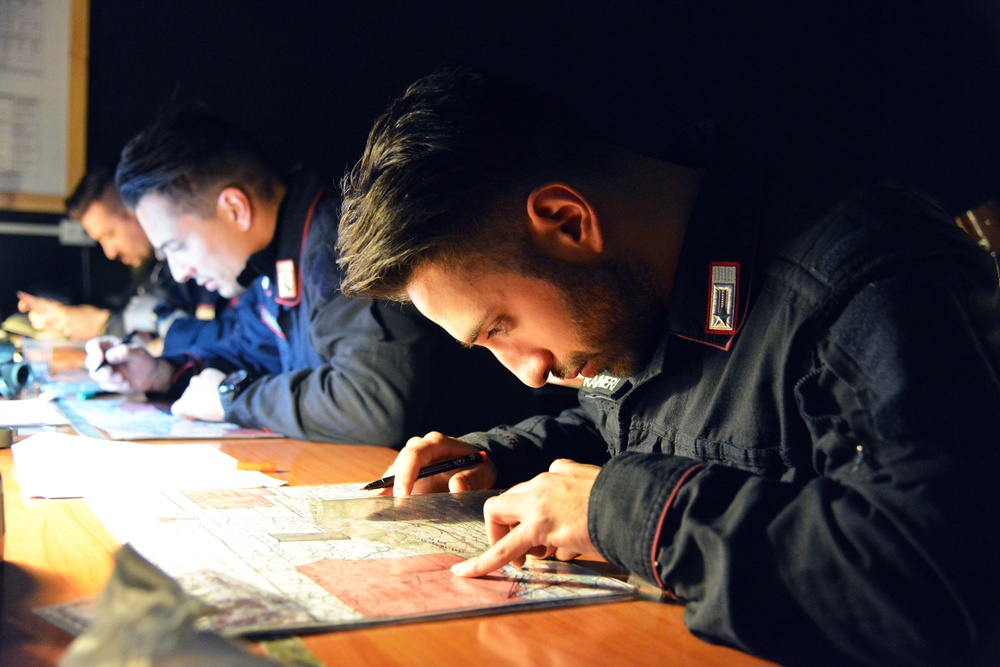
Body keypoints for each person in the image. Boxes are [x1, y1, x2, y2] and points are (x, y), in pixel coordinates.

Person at [334, 69, 1000, 665]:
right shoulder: (640, 292)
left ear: (568, 222)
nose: (527, 373)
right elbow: (635, 425)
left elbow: (941, 579)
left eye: (501, 327)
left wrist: (620, 511)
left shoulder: (863, 276)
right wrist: (497, 459)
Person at [94, 106, 542, 446]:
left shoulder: (337, 243)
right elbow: (246, 347)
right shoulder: (273, 259)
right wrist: (162, 371)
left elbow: (371, 403)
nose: (179, 271)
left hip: (488, 480)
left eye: (177, 247)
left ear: (234, 208)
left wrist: (235, 397)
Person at [17, 169, 230, 354]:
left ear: (136, 214)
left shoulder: (200, 266)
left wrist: (106, 325)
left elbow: (213, 339)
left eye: (109, 235)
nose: (109, 252)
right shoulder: (154, 268)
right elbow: (136, 311)